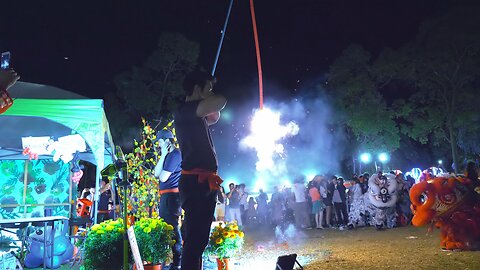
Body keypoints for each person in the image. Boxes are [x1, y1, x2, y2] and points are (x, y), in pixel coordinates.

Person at [173, 70, 226, 270]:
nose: (212, 92)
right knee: (195, 239)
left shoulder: (193, 113)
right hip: (196, 184)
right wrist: (210, 94)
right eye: (209, 89)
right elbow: (220, 101)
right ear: (197, 89)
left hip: (201, 183)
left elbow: (214, 115)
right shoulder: (186, 110)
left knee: (198, 239)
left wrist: (208, 89)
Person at [154, 129, 182, 269]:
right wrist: (163, 154)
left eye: (159, 142)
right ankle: (174, 261)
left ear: (166, 141)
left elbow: (163, 177)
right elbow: (156, 173)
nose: (158, 145)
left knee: (173, 229)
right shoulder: (167, 155)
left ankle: (177, 262)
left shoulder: (175, 154)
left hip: (172, 197)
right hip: (167, 196)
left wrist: (165, 154)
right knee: (168, 228)